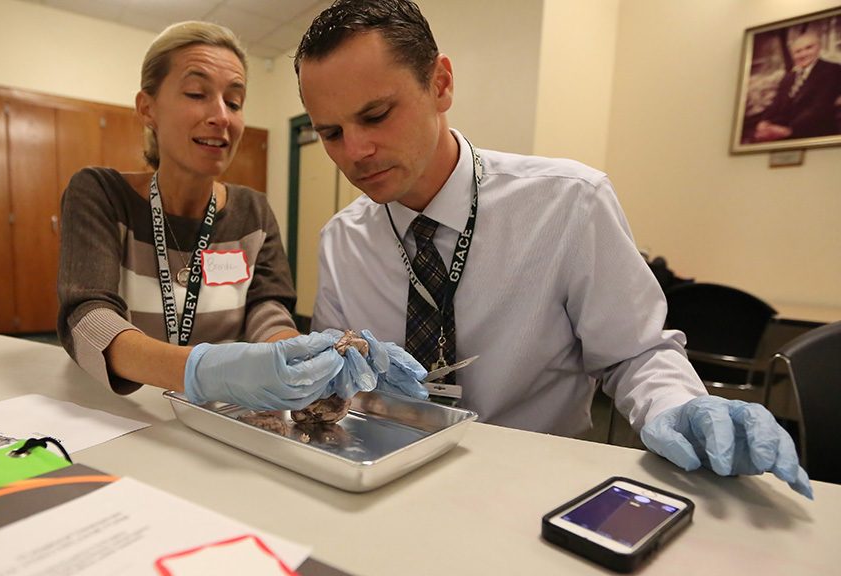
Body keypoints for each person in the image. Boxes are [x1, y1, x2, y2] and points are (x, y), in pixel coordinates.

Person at [294, 0, 812, 498]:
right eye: (332, 133)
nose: (356, 152)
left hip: (539, 486)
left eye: (377, 115)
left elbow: (635, 352)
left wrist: (675, 405)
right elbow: (337, 378)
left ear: (440, 83)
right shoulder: (342, 239)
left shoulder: (568, 202)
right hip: (391, 481)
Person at [58, 21, 384, 411]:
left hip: (220, 416)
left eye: (234, 101)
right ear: (148, 108)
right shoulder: (102, 195)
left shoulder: (252, 212)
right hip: (121, 414)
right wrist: (201, 370)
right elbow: (88, 317)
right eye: (196, 93)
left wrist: (293, 358)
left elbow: (267, 308)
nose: (221, 116)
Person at [754, 31, 841, 142]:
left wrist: (788, 131)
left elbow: (820, 107)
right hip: (782, 133)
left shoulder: (832, 70)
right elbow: (776, 103)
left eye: (809, 48)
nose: (803, 54)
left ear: (818, 48)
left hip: (815, 135)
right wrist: (764, 122)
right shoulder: (789, 77)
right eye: (798, 51)